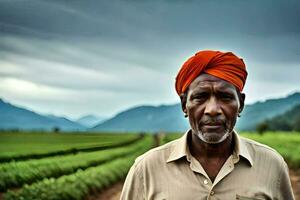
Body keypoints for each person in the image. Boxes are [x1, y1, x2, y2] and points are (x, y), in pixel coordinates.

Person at [120, 50, 295, 200]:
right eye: (200, 97)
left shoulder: (271, 165)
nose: (212, 110)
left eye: (225, 97)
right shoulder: (146, 169)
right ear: (184, 105)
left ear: (240, 104)